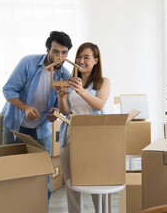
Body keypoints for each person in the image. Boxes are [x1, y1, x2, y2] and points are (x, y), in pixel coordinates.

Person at [0, 31, 72, 200]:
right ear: (47, 50)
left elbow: (62, 106)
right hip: (15, 126)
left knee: (42, 175)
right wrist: (25, 108)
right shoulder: (28, 63)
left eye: (64, 52)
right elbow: (8, 89)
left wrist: (54, 113)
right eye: (55, 51)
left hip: (41, 129)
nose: (59, 57)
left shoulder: (65, 75)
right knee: (9, 171)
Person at [55, 42, 111, 213]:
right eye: (79, 56)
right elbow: (66, 111)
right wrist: (62, 96)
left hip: (95, 136)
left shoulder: (103, 82)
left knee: (98, 181)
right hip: (71, 134)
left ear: (96, 60)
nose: (81, 60)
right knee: (72, 182)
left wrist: (81, 91)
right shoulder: (71, 81)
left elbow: (100, 104)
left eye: (86, 57)